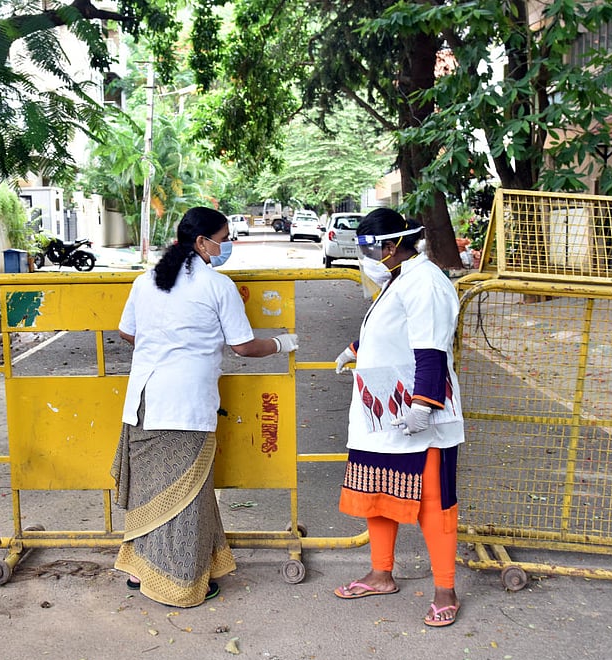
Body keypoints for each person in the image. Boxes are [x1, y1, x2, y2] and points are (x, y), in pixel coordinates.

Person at [111, 206, 298, 608]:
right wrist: (282, 343)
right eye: (223, 237)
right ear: (201, 242)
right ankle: (180, 582)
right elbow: (244, 347)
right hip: (185, 404)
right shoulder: (217, 285)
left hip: (143, 400)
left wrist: (161, 348)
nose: (227, 245)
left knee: (152, 491)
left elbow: (127, 332)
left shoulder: (146, 281)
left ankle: (138, 570)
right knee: (186, 495)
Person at [332, 208, 464, 628]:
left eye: (369, 249)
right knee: (379, 495)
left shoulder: (425, 281)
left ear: (391, 246)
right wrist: (356, 348)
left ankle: (445, 590)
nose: (365, 257)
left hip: (418, 414)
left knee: (432, 503)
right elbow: (388, 328)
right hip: (383, 413)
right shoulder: (399, 279)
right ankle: (380, 573)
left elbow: (431, 348)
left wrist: (424, 405)